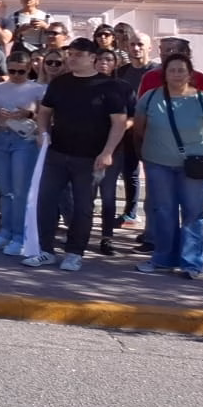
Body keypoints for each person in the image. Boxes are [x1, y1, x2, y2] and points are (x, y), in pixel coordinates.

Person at [22, 37, 128, 272]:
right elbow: (45, 111)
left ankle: (74, 253)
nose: (72, 58)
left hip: (89, 158)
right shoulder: (60, 83)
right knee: (46, 203)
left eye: (78, 54)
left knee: (83, 207)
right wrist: (41, 132)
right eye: (70, 54)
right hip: (57, 153)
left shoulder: (109, 86)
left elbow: (119, 123)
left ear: (92, 58)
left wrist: (108, 152)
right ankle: (45, 251)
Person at [132, 53, 203, 280]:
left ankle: (192, 263)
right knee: (163, 211)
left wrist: (196, 151)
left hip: (194, 167)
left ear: (190, 74)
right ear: (165, 74)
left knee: (193, 213)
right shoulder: (150, 98)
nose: (176, 74)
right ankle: (163, 258)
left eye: (181, 70)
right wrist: (154, 150)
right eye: (172, 70)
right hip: (158, 164)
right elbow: (139, 129)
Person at [0, 50, 46, 255]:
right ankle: (5, 232)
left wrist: (28, 113)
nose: (16, 75)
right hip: (0, 137)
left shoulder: (38, 89)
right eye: (12, 71)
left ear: (29, 68)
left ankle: (20, 235)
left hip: (25, 140)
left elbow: (47, 118)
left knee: (20, 191)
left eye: (21, 71)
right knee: (5, 190)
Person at [92, 48, 133, 254]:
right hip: (86, 147)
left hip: (113, 149)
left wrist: (121, 126)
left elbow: (133, 115)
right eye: (99, 59)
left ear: (116, 63)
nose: (103, 63)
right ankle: (79, 233)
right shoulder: (85, 84)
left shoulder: (123, 87)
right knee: (84, 194)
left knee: (108, 195)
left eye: (108, 59)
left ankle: (106, 237)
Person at [115, 34, 154, 223]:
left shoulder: (157, 71)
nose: (136, 48)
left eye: (140, 44)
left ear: (149, 47)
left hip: (152, 131)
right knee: (129, 171)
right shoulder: (122, 72)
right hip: (128, 129)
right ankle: (130, 212)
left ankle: (153, 222)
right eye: (132, 44)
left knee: (153, 173)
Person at [137, 37, 203, 98]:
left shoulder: (199, 78)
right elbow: (141, 108)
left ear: (185, 53)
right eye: (162, 50)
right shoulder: (150, 77)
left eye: (169, 50)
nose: (164, 54)